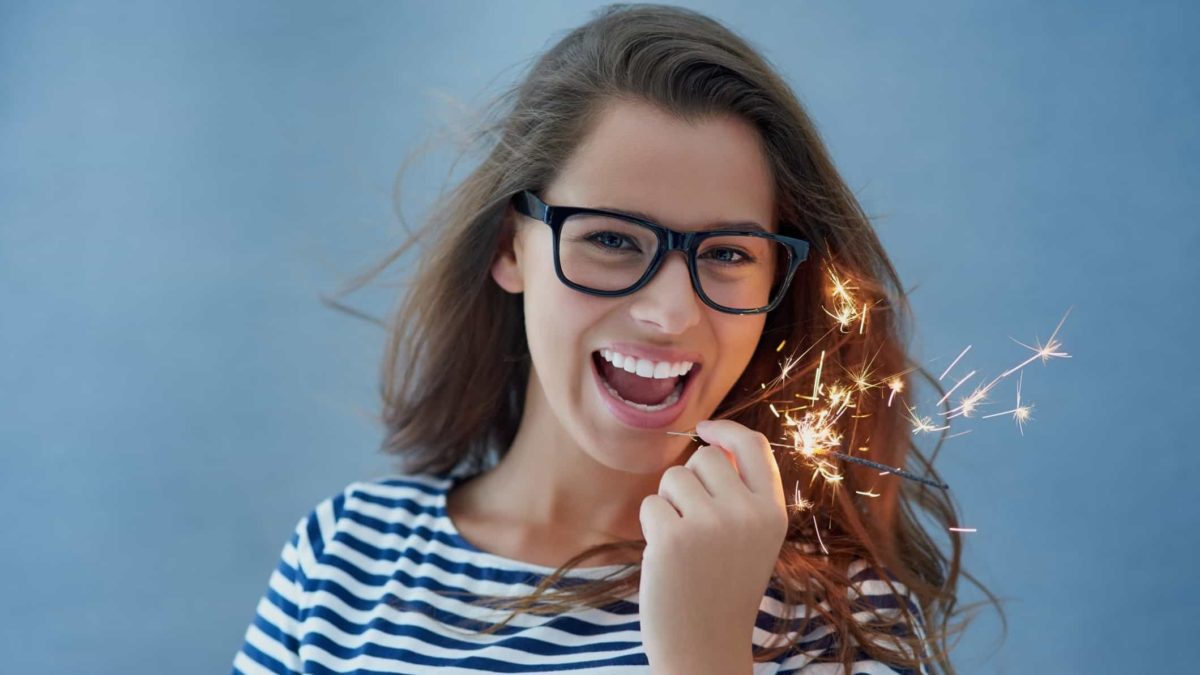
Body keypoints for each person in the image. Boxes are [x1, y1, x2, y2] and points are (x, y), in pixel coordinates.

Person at [232, 4, 994, 673]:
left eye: (727, 254)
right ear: (510, 247)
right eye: (612, 240)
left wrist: (704, 656)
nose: (668, 313)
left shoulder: (836, 616)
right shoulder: (344, 558)